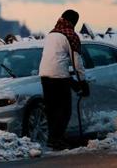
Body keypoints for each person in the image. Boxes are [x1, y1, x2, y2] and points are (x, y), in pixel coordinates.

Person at [39, 9, 86, 150]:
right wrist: (82, 81)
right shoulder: (70, 35)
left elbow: (54, 58)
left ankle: (53, 138)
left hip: (44, 75)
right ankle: (56, 140)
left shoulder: (51, 34)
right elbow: (76, 62)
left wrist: (71, 80)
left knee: (52, 109)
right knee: (64, 110)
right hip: (59, 76)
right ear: (74, 22)